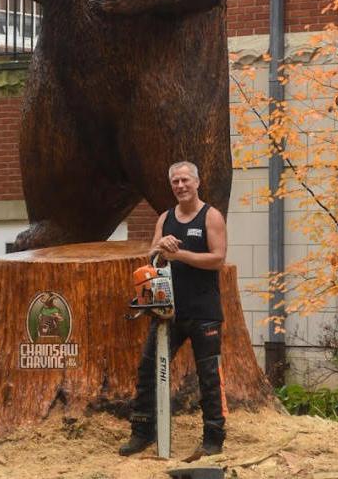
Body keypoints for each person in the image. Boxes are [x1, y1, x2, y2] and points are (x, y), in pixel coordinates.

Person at [119, 161, 228, 457]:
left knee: (208, 376)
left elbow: (218, 258)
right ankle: (142, 432)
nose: (180, 186)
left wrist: (179, 254)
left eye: (185, 180)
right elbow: (152, 256)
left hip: (204, 311)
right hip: (167, 311)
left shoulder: (211, 216)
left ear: (197, 182)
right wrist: (160, 249)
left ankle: (213, 438)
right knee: (148, 369)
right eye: (175, 182)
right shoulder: (165, 218)